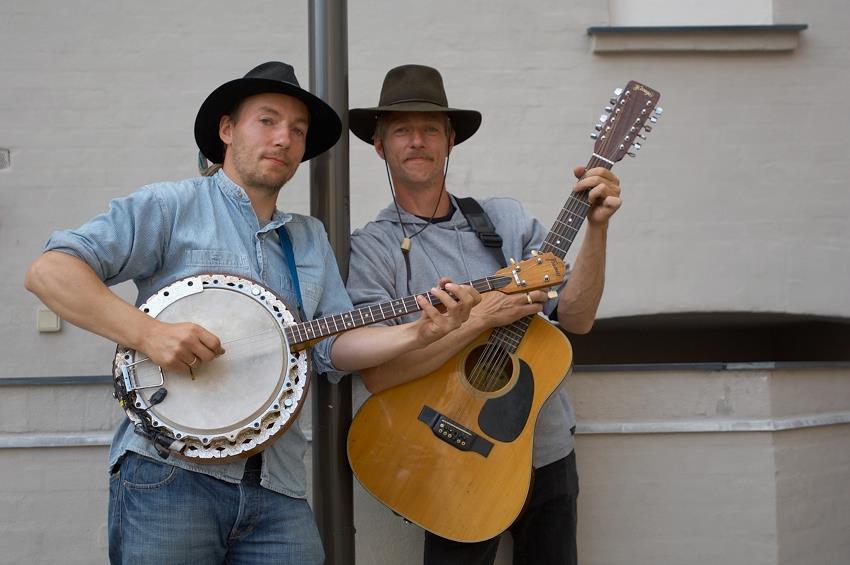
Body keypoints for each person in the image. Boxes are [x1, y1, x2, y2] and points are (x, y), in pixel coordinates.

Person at [24, 61, 479, 565]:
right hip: (171, 474)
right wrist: (148, 334)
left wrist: (420, 332)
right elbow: (51, 271)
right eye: (267, 121)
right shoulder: (172, 206)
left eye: (298, 130)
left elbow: (331, 347)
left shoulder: (306, 237)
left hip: (277, 486)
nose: (284, 138)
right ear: (226, 130)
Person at [345, 64, 623, 565]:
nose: (417, 141)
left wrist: (598, 229)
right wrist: (478, 321)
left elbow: (576, 319)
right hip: (454, 462)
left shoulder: (505, 221)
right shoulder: (372, 249)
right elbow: (381, 374)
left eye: (430, 129)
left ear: (450, 141)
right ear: (379, 146)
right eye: (401, 130)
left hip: (547, 452)